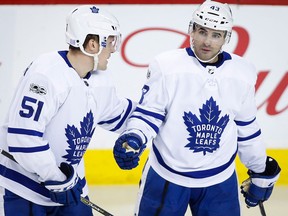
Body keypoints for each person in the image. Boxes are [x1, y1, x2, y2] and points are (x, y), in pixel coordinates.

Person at [113, 1, 281, 215]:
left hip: (219, 181)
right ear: (191, 29)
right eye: (202, 31)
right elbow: (149, 114)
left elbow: (246, 127)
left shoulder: (242, 73)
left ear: (226, 37)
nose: (207, 42)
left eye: (216, 35)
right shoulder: (166, 66)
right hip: (167, 175)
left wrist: (259, 170)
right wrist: (135, 136)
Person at [0, 5, 135, 216]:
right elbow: (23, 138)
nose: (113, 49)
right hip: (26, 189)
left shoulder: (99, 80)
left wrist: (139, 133)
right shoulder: (46, 74)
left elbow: (121, 115)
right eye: (109, 42)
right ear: (93, 45)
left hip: (72, 185)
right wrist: (55, 177)